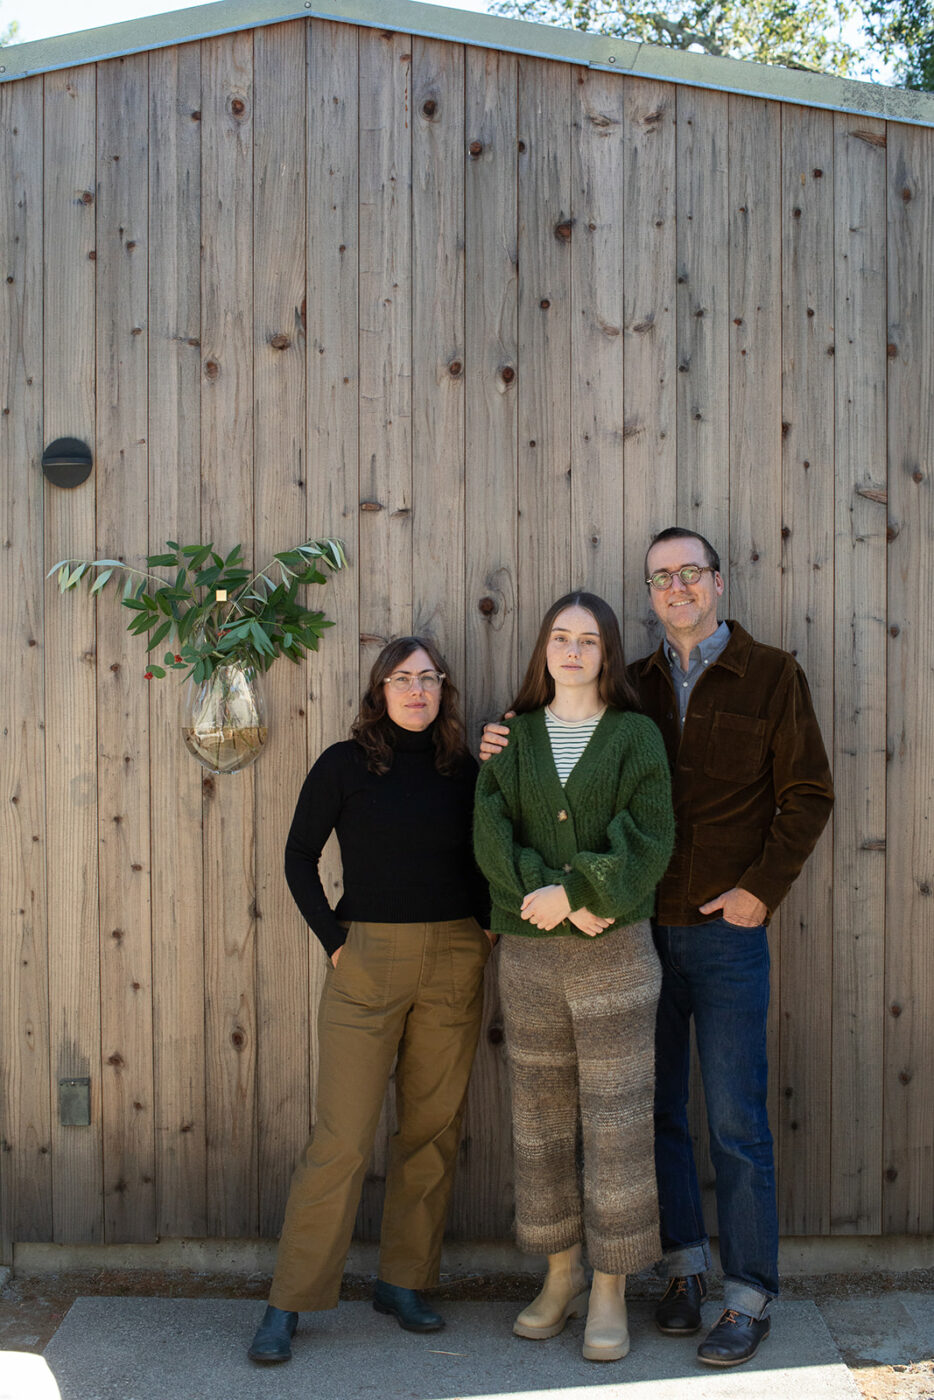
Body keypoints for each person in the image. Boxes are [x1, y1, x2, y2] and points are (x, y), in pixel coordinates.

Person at [480, 530, 834, 1368]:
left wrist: (758, 891)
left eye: (690, 573)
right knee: (652, 1113)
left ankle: (748, 1294)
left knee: (736, 1118)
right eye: (661, 577)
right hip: (633, 931)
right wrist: (502, 742)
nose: (677, 587)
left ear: (717, 581)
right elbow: (557, 756)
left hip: (722, 932)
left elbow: (808, 794)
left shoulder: (771, 675)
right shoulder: (630, 680)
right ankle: (682, 1271)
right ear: (648, 593)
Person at [248, 636, 493, 1364]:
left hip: (454, 957)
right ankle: (289, 1300)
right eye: (403, 679)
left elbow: (492, 856)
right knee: (342, 1138)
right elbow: (298, 856)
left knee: (431, 1130)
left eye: (430, 678)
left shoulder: (465, 771)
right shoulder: (344, 764)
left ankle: (403, 1283)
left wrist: (483, 930)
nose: (418, 690)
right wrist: (335, 940)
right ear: (379, 690)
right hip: (365, 962)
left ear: (443, 690)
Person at [473, 592, 675, 1363]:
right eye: (560, 637)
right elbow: (490, 832)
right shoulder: (512, 738)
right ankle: (561, 1275)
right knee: (542, 1122)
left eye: (588, 640)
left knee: (618, 1123)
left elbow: (649, 836)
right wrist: (551, 898)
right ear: (543, 650)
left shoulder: (635, 736)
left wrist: (584, 894)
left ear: (607, 653)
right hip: (530, 960)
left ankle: (612, 1287)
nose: (572, 650)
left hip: (615, 955)